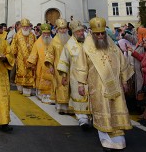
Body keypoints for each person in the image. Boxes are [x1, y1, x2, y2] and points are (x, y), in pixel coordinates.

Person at [75, 17, 134, 151]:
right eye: (97, 34)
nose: (101, 36)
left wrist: (125, 81)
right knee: (104, 110)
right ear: (92, 33)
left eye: (102, 33)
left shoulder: (112, 45)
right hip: (98, 87)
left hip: (116, 86)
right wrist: (80, 84)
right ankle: (106, 139)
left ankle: (119, 138)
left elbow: (122, 64)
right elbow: (82, 66)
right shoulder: (86, 48)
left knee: (116, 109)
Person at [57, 20, 91, 129]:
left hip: (90, 76)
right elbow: (64, 61)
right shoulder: (69, 45)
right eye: (79, 31)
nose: (81, 33)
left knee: (91, 96)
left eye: (82, 31)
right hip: (75, 77)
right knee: (78, 96)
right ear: (74, 33)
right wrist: (63, 76)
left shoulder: (89, 42)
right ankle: (82, 118)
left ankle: (92, 116)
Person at [27, 23, 55, 104]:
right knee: (41, 78)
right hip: (40, 65)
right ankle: (41, 94)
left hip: (51, 65)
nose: (46, 35)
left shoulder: (53, 41)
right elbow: (34, 54)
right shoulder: (38, 42)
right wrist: (31, 63)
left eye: (48, 33)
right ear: (42, 33)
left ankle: (50, 94)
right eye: (44, 33)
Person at [10, 18, 36, 96]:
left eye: (27, 27)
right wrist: (14, 55)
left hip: (31, 58)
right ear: (21, 27)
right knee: (21, 72)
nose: (25, 28)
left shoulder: (32, 35)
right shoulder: (17, 35)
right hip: (20, 58)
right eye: (24, 27)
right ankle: (20, 89)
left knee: (30, 73)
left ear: (29, 27)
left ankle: (28, 91)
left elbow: (35, 45)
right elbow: (13, 47)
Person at [52, 18, 72, 114]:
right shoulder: (54, 41)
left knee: (70, 86)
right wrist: (50, 66)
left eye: (64, 28)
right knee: (60, 85)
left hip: (70, 67)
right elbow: (49, 54)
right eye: (61, 29)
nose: (63, 31)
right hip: (58, 67)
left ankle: (70, 107)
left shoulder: (70, 40)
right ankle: (60, 107)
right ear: (57, 30)